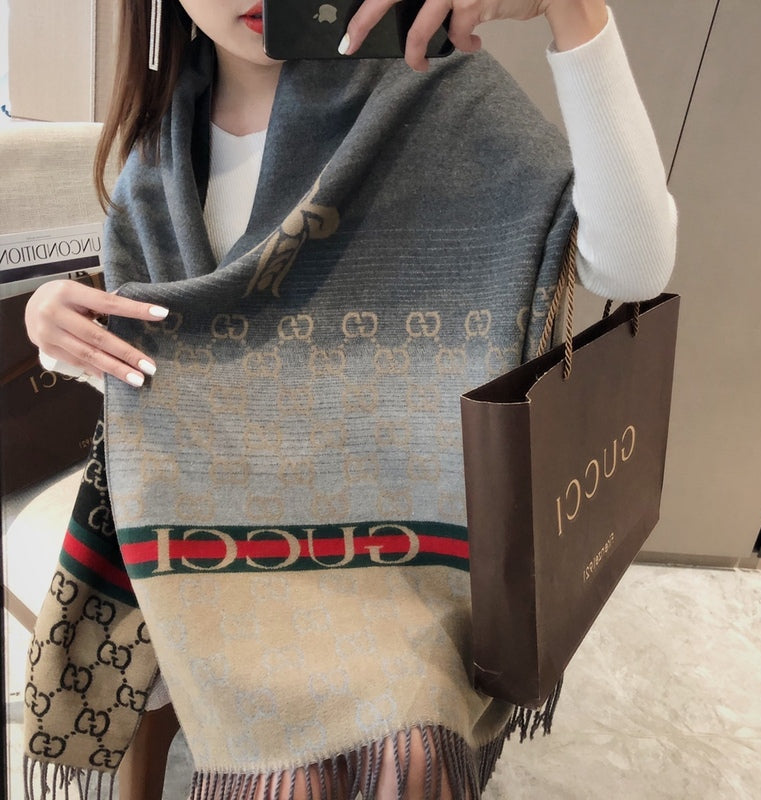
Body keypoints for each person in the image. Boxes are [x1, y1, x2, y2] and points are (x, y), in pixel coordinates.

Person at [22, 1, 676, 798]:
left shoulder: (434, 90)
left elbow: (632, 268)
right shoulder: (154, 158)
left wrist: (574, 11)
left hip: (405, 550)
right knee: (292, 778)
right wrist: (57, 329)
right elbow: (165, 391)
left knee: (410, 754)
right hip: (208, 539)